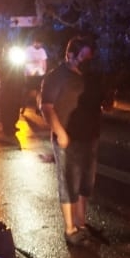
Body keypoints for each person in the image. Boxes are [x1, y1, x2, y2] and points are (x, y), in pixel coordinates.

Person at [40, 37, 97, 246]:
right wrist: (60, 132)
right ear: (70, 55)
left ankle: (82, 223)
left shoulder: (89, 76)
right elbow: (46, 107)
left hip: (89, 136)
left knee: (85, 182)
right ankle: (70, 229)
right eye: (83, 57)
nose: (87, 61)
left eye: (89, 57)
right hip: (66, 139)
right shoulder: (56, 77)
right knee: (69, 182)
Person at [22, 36, 48, 115]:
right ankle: (23, 107)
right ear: (34, 42)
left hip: (39, 75)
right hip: (30, 75)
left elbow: (44, 61)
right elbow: (24, 61)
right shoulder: (28, 50)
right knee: (28, 92)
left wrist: (44, 71)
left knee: (39, 92)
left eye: (41, 44)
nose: (39, 45)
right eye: (38, 43)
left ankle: (38, 108)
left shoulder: (42, 51)